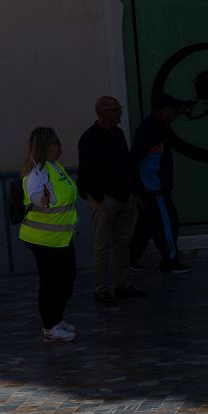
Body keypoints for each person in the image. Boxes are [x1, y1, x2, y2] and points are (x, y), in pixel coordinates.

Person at [78, 96, 146, 305]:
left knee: (123, 243)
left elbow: (127, 164)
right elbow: (86, 172)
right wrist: (98, 197)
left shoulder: (119, 134)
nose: (120, 113)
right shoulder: (89, 138)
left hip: (124, 197)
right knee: (102, 246)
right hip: (105, 199)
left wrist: (134, 192)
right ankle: (101, 289)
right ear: (103, 113)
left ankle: (122, 284)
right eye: (116, 110)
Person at [20, 128, 79, 342]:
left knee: (67, 278)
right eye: (55, 142)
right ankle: (50, 326)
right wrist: (41, 199)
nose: (60, 145)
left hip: (60, 237)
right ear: (45, 147)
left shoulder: (56, 167)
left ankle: (57, 318)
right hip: (43, 239)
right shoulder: (37, 172)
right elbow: (35, 195)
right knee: (51, 282)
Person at [130, 93, 190, 274]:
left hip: (150, 188)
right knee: (168, 223)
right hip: (154, 189)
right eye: (173, 109)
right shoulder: (150, 130)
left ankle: (130, 258)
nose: (176, 113)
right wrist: (137, 190)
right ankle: (170, 260)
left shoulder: (157, 127)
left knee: (147, 225)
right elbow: (134, 160)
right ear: (163, 111)